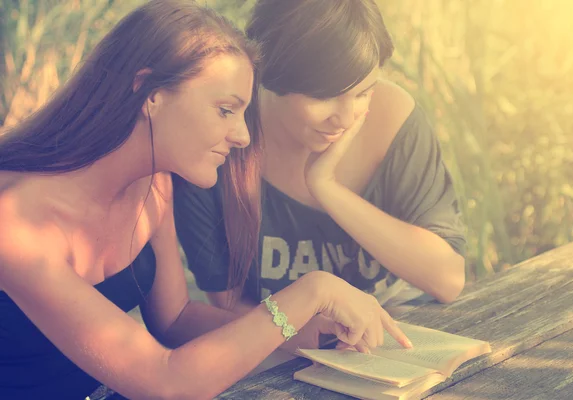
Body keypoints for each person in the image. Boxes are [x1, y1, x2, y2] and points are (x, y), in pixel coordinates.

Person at [0, 1, 411, 399]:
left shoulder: (154, 185)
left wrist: (304, 331)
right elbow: (166, 383)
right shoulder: (15, 224)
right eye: (225, 110)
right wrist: (311, 292)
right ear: (149, 92)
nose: (243, 136)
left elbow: (175, 319)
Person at [170, 0, 467, 353]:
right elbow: (229, 303)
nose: (344, 118)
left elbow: (448, 280)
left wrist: (327, 188)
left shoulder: (392, 117)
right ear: (273, 75)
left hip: (403, 340)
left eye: (362, 92)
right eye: (325, 96)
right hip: (287, 354)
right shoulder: (222, 143)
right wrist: (307, 335)